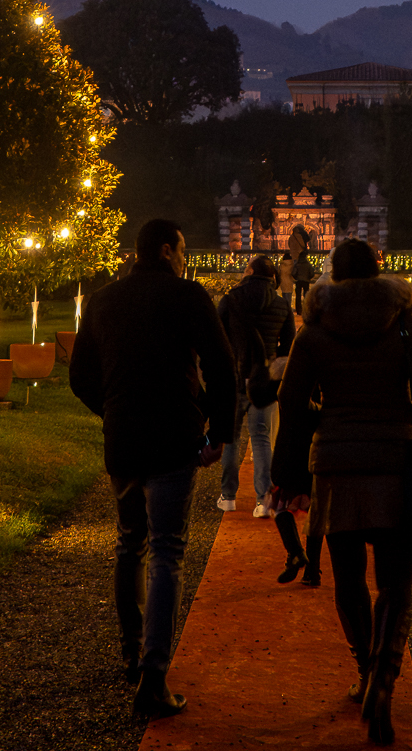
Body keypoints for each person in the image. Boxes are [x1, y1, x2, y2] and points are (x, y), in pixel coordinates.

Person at [274, 239, 412, 745]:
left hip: (336, 462)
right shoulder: (402, 321)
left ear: (334, 274)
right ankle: (383, 681)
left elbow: (291, 399)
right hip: (394, 459)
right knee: (395, 585)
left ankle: (362, 666)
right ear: (379, 273)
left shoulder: (315, 327)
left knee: (347, 577)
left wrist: (295, 464)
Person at [71, 218, 237, 720]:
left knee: (130, 542)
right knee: (168, 551)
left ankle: (131, 650)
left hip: (123, 439)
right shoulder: (188, 296)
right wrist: (215, 431)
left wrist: (113, 407)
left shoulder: (102, 300)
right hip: (172, 436)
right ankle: (154, 673)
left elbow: (80, 375)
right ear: (167, 250)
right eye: (183, 250)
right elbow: (223, 365)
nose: (185, 259)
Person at [216, 253, 294, 517]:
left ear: (249, 272)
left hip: (233, 378)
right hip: (265, 382)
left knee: (231, 439)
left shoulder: (231, 299)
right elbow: (288, 347)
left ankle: (228, 496)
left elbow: (217, 337)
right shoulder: (282, 305)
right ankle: (263, 500)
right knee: (262, 441)